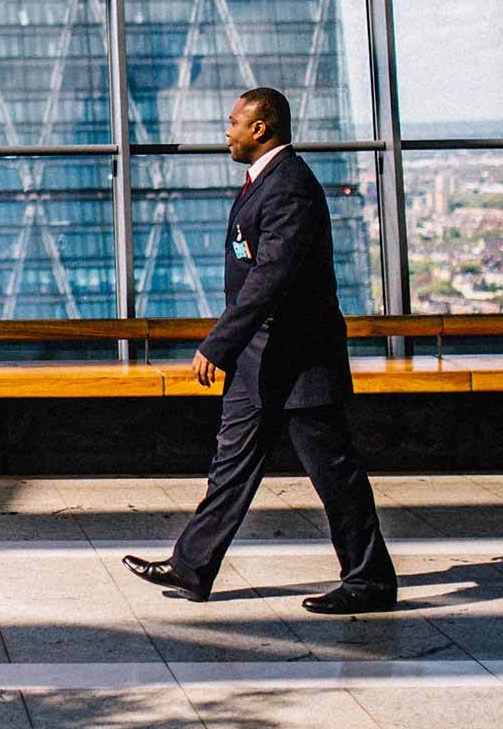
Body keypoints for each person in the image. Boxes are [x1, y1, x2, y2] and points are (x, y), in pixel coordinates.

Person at [123, 87, 397, 614]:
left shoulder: (289, 187)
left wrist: (219, 343)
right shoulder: (265, 183)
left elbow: (270, 277)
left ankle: (370, 580)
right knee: (230, 466)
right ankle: (191, 565)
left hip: (298, 363)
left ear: (261, 128)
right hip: (260, 362)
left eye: (233, 123)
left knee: (334, 474)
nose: (226, 132)